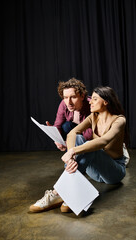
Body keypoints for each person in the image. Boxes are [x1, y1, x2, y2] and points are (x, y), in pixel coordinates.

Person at [29, 86, 128, 214]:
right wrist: (71, 157)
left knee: (92, 146)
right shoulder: (93, 117)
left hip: (114, 172)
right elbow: (72, 133)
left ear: (106, 101)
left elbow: (103, 141)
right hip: (95, 174)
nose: (90, 102)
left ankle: (58, 193)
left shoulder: (119, 120)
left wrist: (73, 151)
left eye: (94, 99)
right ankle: (68, 193)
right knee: (79, 138)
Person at [46, 78, 92, 151]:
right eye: (65, 97)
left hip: (91, 138)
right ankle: (71, 157)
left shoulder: (92, 105)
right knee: (66, 126)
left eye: (73, 97)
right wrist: (57, 139)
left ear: (82, 96)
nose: (69, 102)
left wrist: (72, 143)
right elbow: (57, 125)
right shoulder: (64, 104)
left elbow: (92, 134)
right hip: (74, 134)